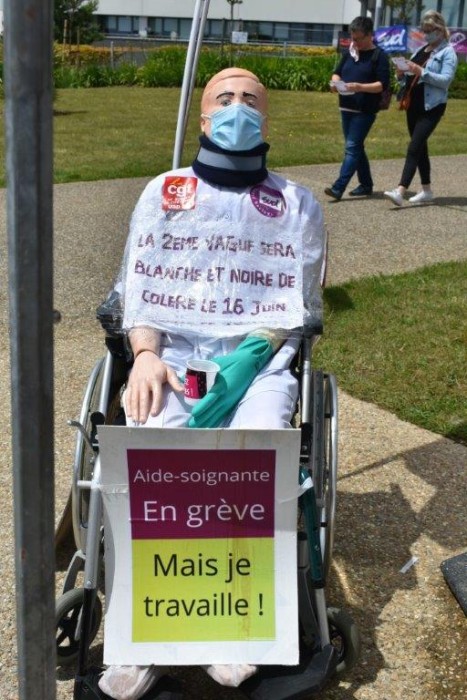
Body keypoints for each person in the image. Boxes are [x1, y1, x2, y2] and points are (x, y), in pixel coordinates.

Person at [98, 67, 326, 700]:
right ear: (203, 118)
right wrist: (145, 354)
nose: (237, 107)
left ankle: (233, 623)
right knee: (152, 440)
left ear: (266, 119)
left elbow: (298, 304)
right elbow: (142, 286)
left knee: (259, 445)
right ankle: (145, 632)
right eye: (224, 97)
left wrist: (245, 364)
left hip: (259, 361)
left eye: (251, 98)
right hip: (174, 355)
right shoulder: (163, 192)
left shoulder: (297, 205)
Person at [384, 11, 458, 206]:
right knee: (420, 148)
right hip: (413, 104)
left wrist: (421, 71)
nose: (426, 34)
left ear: (440, 30)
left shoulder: (447, 53)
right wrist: (401, 73)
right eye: (424, 30)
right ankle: (426, 190)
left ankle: (400, 190)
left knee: (414, 147)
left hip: (432, 106)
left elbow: (445, 81)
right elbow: (409, 78)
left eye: (429, 30)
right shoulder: (421, 50)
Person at [325, 16, 390, 200]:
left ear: (370, 35)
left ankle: (338, 187)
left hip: (365, 110)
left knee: (352, 147)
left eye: (359, 38)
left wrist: (360, 87)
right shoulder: (350, 53)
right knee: (356, 147)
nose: (355, 42)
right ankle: (366, 185)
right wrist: (335, 83)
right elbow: (337, 73)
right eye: (353, 38)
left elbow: (382, 85)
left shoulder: (379, 56)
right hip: (346, 107)